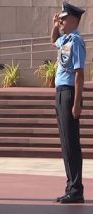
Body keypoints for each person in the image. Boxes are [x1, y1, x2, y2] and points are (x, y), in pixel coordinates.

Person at [51, 1, 85, 204]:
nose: (61, 21)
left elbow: (80, 74)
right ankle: (71, 186)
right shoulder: (65, 40)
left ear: (73, 20)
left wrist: (77, 103)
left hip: (70, 92)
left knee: (71, 142)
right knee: (65, 142)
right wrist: (55, 25)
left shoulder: (76, 41)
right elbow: (52, 39)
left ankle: (76, 189)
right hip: (60, 92)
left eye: (63, 19)